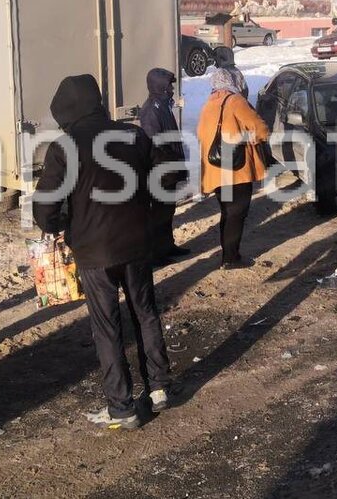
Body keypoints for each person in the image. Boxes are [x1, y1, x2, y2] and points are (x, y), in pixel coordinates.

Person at [33, 75, 170, 430]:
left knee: (107, 327)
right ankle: (158, 387)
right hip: (138, 242)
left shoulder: (65, 147)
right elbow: (164, 180)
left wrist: (60, 223)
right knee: (145, 313)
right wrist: (146, 212)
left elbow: (46, 208)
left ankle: (122, 407)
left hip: (94, 250)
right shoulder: (133, 135)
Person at [196, 69, 271, 270]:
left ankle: (228, 254)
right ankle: (231, 258)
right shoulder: (236, 101)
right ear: (234, 81)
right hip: (236, 170)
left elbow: (202, 136)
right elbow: (260, 128)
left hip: (215, 169)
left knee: (227, 213)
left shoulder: (209, 104)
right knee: (237, 214)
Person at [137, 69, 190, 264]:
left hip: (169, 167)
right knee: (159, 213)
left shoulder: (163, 105)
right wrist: (168, 160)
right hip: (160, 170)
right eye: (169, 84)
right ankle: (156, 254)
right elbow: (154, 142)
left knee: (168, 211)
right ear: (159, 85)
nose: (172, 87)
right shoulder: (151, 108)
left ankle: (167, 246)